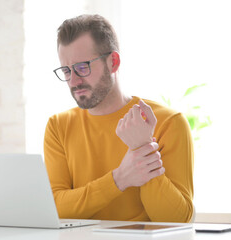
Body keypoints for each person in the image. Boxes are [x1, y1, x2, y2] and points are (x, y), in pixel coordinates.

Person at [44, 14, 194, 222]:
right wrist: (119, 179)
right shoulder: (58, 126)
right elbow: (55, 208)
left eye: (82, 67)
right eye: (66, 70)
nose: (74, 80)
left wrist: (142, 147)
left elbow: (176, 220)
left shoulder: (169, 122)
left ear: (113, 62)